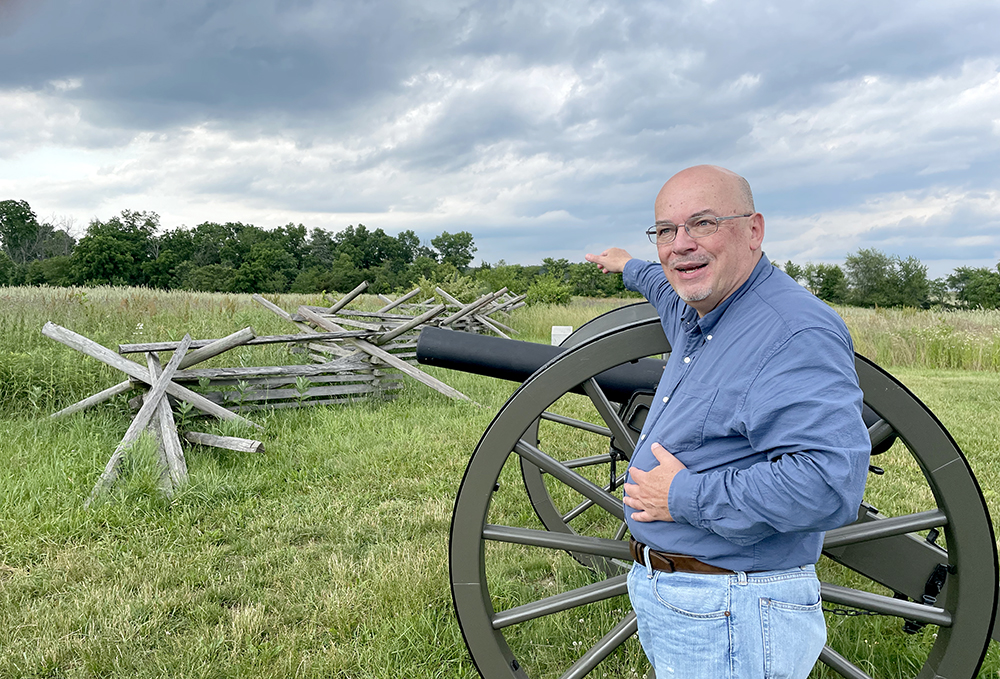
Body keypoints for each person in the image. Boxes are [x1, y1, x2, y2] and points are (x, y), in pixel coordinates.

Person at [585, 165, 870, 679]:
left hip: (732, 606)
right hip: (694, 598)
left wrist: (680, 496)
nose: (680, 245)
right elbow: (662, 281)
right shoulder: (705, 313)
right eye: (666, 231)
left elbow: (828, 485)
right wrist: (627, 264)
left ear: (754, 230)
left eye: (703, 223)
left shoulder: (793, 332)